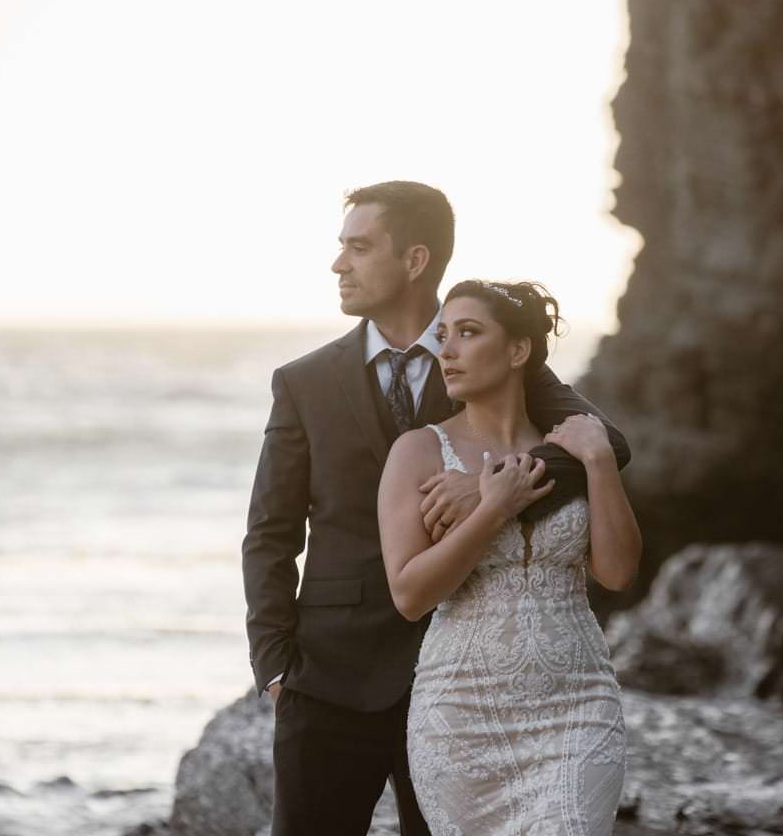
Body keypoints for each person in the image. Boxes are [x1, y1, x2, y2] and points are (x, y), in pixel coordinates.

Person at [241, 182, 630, 836]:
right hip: (335, 676)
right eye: (342, 248)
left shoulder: (494, 356)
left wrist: (487, 483)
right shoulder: (304, 383)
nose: (340, 265)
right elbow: (270, 533)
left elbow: (604, 444)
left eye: (359, 248)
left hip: (468, 684)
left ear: (415, 260)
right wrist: (274, 664)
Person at [378, 279, 641, 835]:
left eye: (468, 333)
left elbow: (617, 573)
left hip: (578, 705)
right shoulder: (419, 451)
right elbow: (409, 595)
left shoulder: (572, 448)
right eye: (443, 336)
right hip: (460, 717)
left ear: (519, 350)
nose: (446, 351)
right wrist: (492, 509)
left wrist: (597, 464)